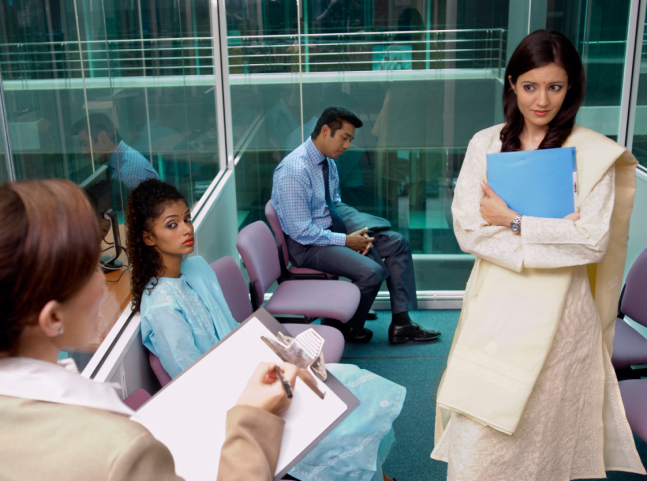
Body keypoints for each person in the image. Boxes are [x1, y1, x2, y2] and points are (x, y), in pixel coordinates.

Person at [0, 179, 298, 481]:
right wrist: (251, 419)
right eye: (91, 267)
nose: (104, 283)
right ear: (52, 318)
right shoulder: (120, 449)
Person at [430, 30, 647, 480]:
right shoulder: (485, 145)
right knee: (479, 434)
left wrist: (513, 219)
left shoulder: (593, 154)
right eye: (530, 86)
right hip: (496, 306)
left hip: (562, 318)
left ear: (572, 87)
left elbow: (591, 243)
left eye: (555, 86)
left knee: (542, 437)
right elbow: (469, 231)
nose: (542, 100)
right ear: (512, 83)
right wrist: (553, 237)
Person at [126, 179, 406, 481]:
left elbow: (234, 331)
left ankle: (378, 476)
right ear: (148, 238)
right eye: (172, 225)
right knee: (334, 414)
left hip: (250, 368)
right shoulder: (162, 306)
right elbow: (195, 380)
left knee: (348, 389)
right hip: (230, 398)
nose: (186, 229)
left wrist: (286, 354)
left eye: (187, 218)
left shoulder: (197, 268)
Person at [271, 107, 441, 344]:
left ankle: (402, 322)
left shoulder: (326, 160)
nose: (348, 146)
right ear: (325, 131)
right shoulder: (294, 171)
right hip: (307, 246)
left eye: (350, 140)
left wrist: (361, 232)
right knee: (371, 272)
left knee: (396, 243)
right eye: (344, 138)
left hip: (330, 230)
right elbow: (301, 231)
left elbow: (335, 203)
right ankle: (343, 325)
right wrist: (347, 240)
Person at [72, 113, 158, 191]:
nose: (84, 152)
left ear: (103, 137)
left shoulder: (128, 173)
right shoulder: (123, 162)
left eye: (85, 144)